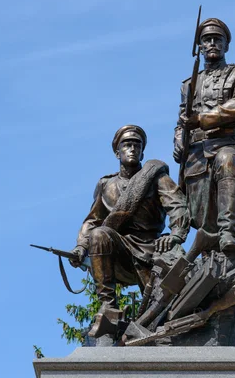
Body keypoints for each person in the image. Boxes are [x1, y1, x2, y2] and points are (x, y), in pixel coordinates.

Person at [70, 125, 190, 337]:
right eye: (127, 145)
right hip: (120, 251)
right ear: (118, 152)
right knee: (99, 234)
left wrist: (176, 235)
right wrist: (80, 247)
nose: (132, 149)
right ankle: (108, 307)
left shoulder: (156, 177)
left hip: (152, 249)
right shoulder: (106, 185)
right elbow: (92, 221)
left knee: (164, 312)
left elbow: (177, 205)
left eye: (137, 145)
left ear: (143, 151)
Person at [173, 17, 235, 254]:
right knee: (201, 218)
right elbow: (181, 119)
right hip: (196, 155)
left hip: (230, 145)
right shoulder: (189, 84)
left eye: (217, 39)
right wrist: (179, 139)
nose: (212, 44)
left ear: (226, 45)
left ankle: (228, 233)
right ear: (199, 46)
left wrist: (202, 119)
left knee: (226, 160)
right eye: (206, 40)